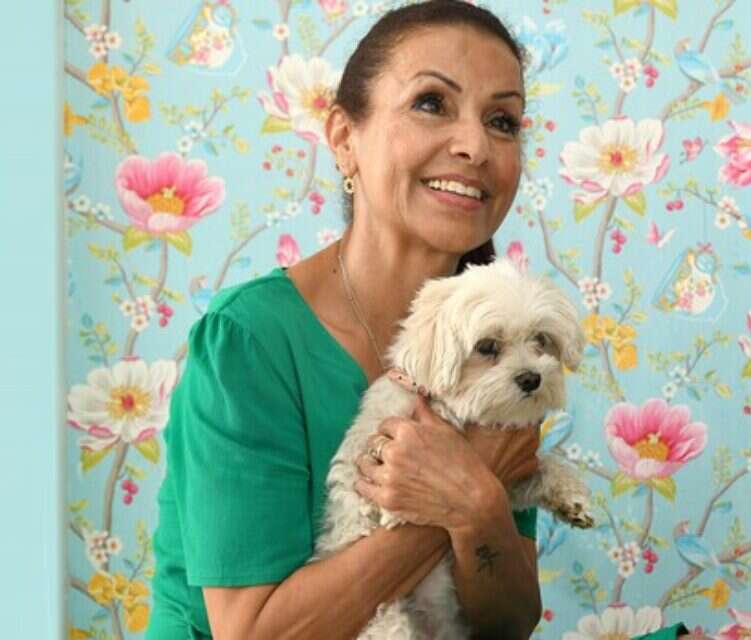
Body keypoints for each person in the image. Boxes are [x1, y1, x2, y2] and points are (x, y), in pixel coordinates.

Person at [148, 2, 689, 638]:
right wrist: (470, 484)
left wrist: (478, 504)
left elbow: (507, 624)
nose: (474, 146)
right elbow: (255, 632)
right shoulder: (249, 339)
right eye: (432, 103)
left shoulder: (501, 350)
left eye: (502, 121)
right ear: (344, 138)